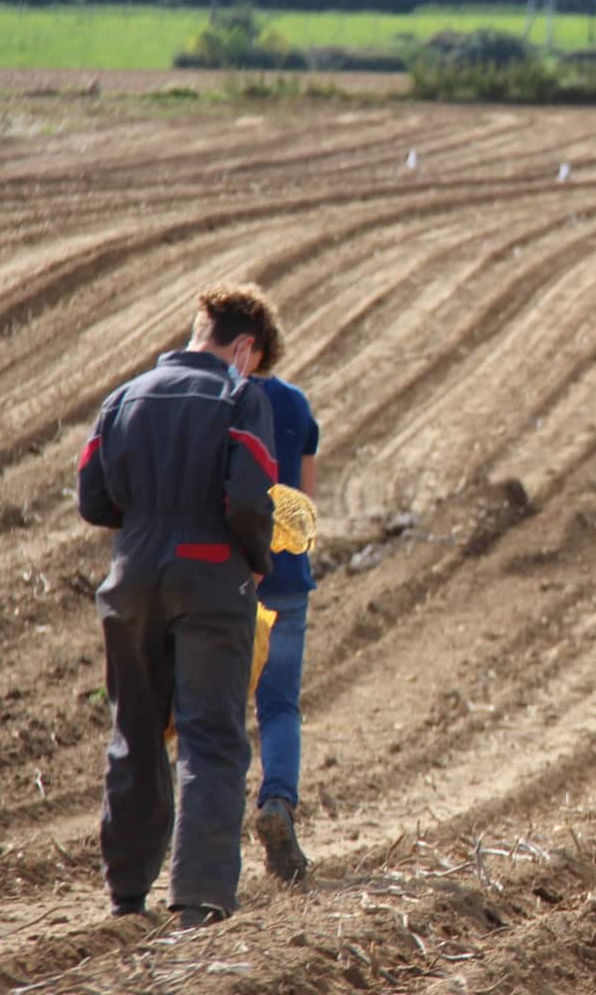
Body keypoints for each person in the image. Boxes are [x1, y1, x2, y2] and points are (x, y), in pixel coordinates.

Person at [77, 283, 282, 930]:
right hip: (213, 581)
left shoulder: (122, 398)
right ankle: (200, 895)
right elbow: (249, 498)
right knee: (210, 737)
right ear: (244, 347)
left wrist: (145, 529)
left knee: (134, 733)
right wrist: (258, 559)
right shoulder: (239, 397)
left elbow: (92, 499)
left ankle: (127, 895)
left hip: (131, 581)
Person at [248, 354, 320, 883]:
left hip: (228, 579)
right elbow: (304, 504)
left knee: (218, 711)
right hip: (286, 580)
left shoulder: (223, 401)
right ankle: (278, 801)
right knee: (279, 706)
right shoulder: (295, 404)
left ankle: (205, 845)